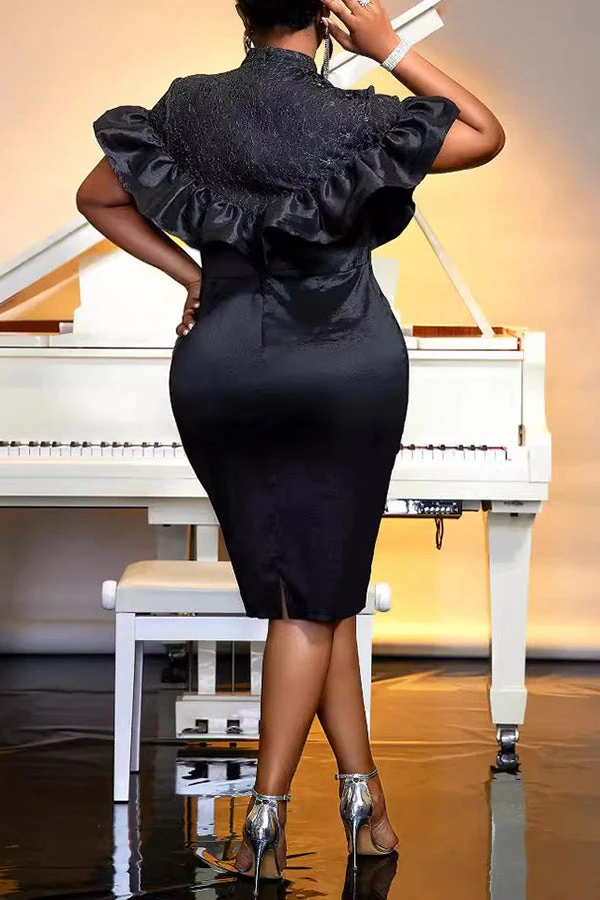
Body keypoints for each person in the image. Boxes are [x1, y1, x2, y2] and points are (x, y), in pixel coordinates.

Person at [77, 0, 504, 892]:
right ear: (325, 16)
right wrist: (390, 47)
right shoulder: (360, 117)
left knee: (314, 585)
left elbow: (98, 197)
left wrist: (193, 274)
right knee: (306, 598)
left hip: (223, 365)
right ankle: (263, 822)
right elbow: (483, 133)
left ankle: (365, 802)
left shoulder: (190, 105)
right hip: (344, 367)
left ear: (244, 13)